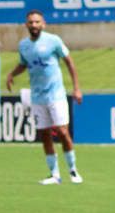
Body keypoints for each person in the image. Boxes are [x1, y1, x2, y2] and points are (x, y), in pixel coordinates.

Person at [5, 10, 83, 184]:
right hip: (37, 97)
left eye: (37, 22)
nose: (34, 25)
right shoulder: (23, 45)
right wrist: (12, 74)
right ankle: (54, 175)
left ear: (43, 24)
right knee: (45, 134)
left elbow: (69, 62)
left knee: (63, 132)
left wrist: (76, 88)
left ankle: (73, 170)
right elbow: (24, 64)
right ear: (26, 24)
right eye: (31, 22)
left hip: (56, 95)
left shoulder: (53, 41)